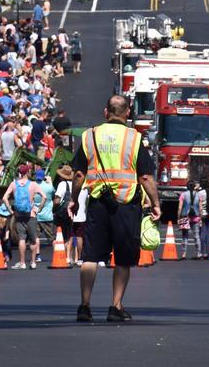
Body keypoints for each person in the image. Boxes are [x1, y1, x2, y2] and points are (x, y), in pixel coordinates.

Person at [68, 95, 160, 323]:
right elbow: (146, 176)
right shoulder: (134, 138)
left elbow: (79, 174)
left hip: (98, 203)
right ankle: (115, 306)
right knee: (123, 259)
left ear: (105, 112)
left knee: (89, 256)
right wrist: (155, 203)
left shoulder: (90, 136)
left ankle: (84, 306)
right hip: (126, 205)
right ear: (128, 112)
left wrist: (74, 199)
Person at [2, 163, 43, 269]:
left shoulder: (14, 184)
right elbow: (45, 197)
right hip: (31, 215)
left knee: (22, 239)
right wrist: (39, 208)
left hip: (19, 215)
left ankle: (22, 262)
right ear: (28, 172)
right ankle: (33, 262)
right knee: (33, 239)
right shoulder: (33, 184)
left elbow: (4, 198)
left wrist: (10, 210)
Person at [53, 165, 75, 266]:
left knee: (59, 235)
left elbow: (57, 200)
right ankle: (68, 257)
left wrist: (54, 207)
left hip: (61, 213)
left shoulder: (62, 184)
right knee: (69, 236)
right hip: (71, 213)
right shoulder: (74, 184)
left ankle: (59, 256)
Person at [33, 169, 55, 262]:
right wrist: (50, 182)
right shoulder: (49, 187)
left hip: (36, 215)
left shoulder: (33, 186)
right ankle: (57, 253)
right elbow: (54, 194)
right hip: (48, 216)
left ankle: (38, 256)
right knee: (52, 238)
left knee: (36, 237)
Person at [177, 180, 202, 260]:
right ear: (194, 186)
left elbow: (180, 208)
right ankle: (198, 253)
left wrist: (178, 218)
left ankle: (184, 253)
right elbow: (201, 208)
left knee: (185, 236)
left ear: (187, 186)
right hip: (195, 217)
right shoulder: (198, 195)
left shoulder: (183, 195)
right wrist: (200, 217)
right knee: (196, 236)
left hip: (185, 216)